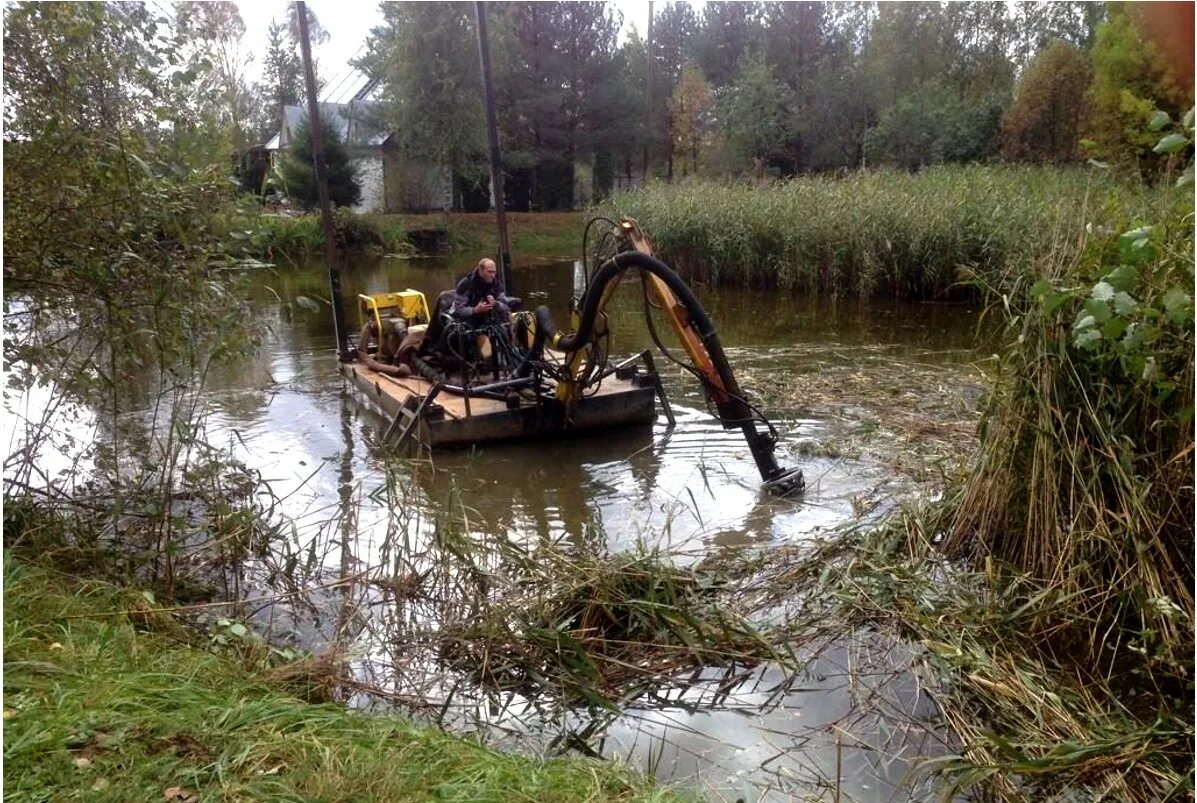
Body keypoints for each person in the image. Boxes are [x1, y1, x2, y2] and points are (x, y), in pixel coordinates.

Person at [450, 257, 512, 325]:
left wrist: (495, 303)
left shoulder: (496, 284)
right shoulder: (466, 284)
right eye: (489, 272)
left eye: (494, 272)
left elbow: (505, 306)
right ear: (480, 271)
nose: (492, 275)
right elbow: (458, 310)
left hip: (490, 320)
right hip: (469, 322)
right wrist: (475, 310)